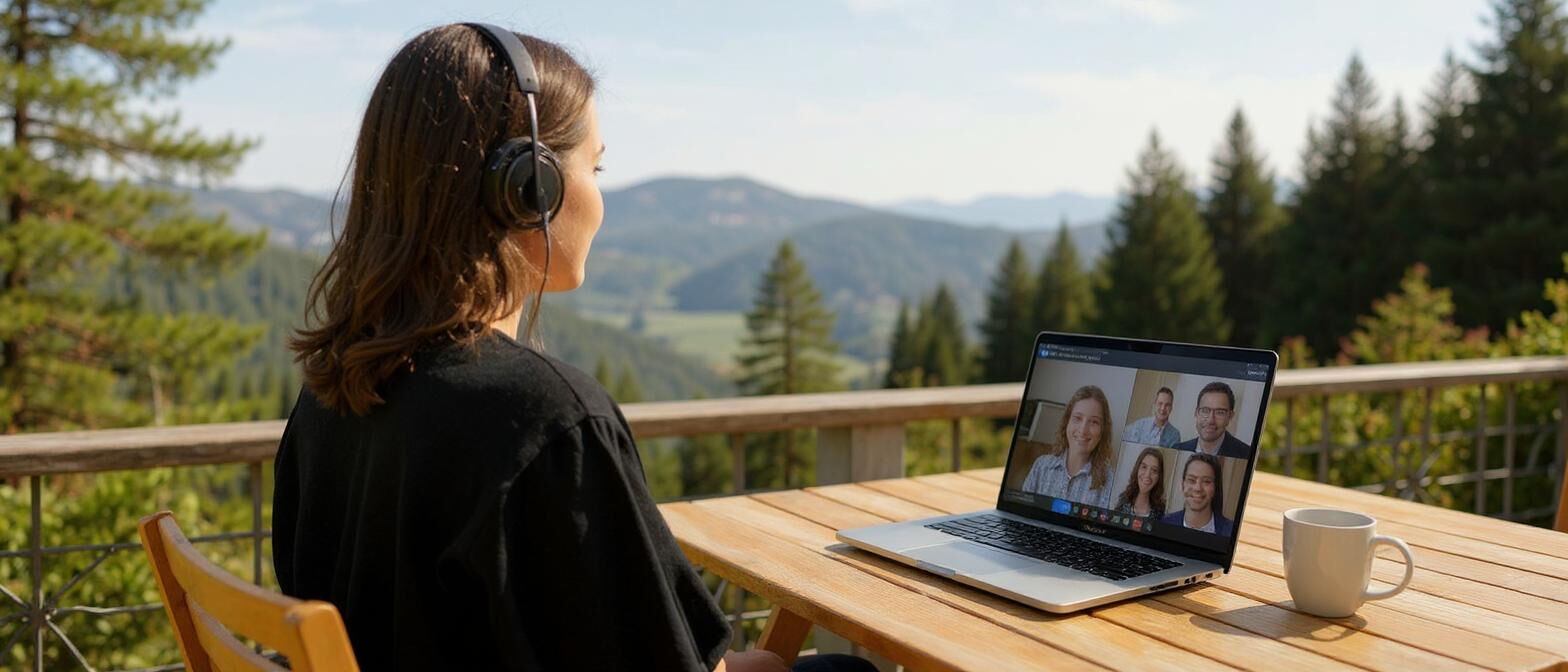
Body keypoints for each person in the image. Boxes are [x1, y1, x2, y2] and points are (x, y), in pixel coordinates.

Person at [272, 24, 872, 672]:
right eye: (597, 166)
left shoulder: (332, 393)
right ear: (530, 187)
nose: (601, 195)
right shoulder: (543, 420)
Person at [1020, 385, 1117, 510]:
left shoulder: (1111, 481)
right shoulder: (1041, 466)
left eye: (1094, 422)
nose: (1083, 430)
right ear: (1067, 422)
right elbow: (1023, 511)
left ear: (1103, 431)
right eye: (1077, 418)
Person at [1159, 453, 1233, 536]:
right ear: (1183, 484)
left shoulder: (1230, 531)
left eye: (1206, 481)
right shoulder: (1164, 523)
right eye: (1191, 480)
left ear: (1215, 487)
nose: (1198, 488)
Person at [1172, 381, 1251, 458]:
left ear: (1230, 416)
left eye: (1219, 412)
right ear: (1196, 413)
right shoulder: (1177, 449)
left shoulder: (1247, 454)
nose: (1210, 420)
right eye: (1205, 411)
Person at [1113, 447, 1166, 518]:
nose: (1147, 475)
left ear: (1159, 477)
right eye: (1144, 467)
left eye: (1154, 470)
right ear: (1137, 469)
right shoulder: (1122, 504)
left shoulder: (1160, 513)